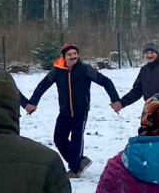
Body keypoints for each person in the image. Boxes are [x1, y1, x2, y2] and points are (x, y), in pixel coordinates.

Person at [26, 42, 120, 177]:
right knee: (59, 138)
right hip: (64, 111)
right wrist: (33, 102)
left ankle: (75, 169)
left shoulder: (85, 69)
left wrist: (115, 100)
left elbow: (105, 81)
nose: (73, 56)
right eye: (69, 54)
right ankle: (79, 161)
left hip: (80, 111)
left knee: (77, 138)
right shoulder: (57, 71)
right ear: (63, 56)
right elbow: (43, 85)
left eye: (75, 54)